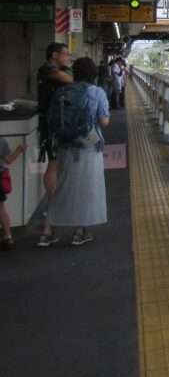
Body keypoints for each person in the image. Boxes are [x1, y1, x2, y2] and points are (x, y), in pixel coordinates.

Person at [37, 57, 110, 247]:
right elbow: (103, 122)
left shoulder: (62, 91)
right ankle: (81, 231)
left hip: (64, 146)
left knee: (62, 189)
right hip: (88, 148)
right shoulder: (97, 92)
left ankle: (47, 231)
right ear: (94, 74)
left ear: (74, 73)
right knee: (86, 189)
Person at [37, 42, 73, 210]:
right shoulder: (47, 70)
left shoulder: (58, 70)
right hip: (50, 123)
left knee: (57, 163)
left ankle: (56, 203)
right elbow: (70, 80)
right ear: (54, 55)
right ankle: (52, 207)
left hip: (57, 121)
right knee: (53, 163)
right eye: (65, 54)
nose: (68, 57)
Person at [0, 137, 27, 250]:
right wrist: (19, 150)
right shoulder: (1, 141)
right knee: (1, 209)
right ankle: (8, 237)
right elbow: (9, 160)